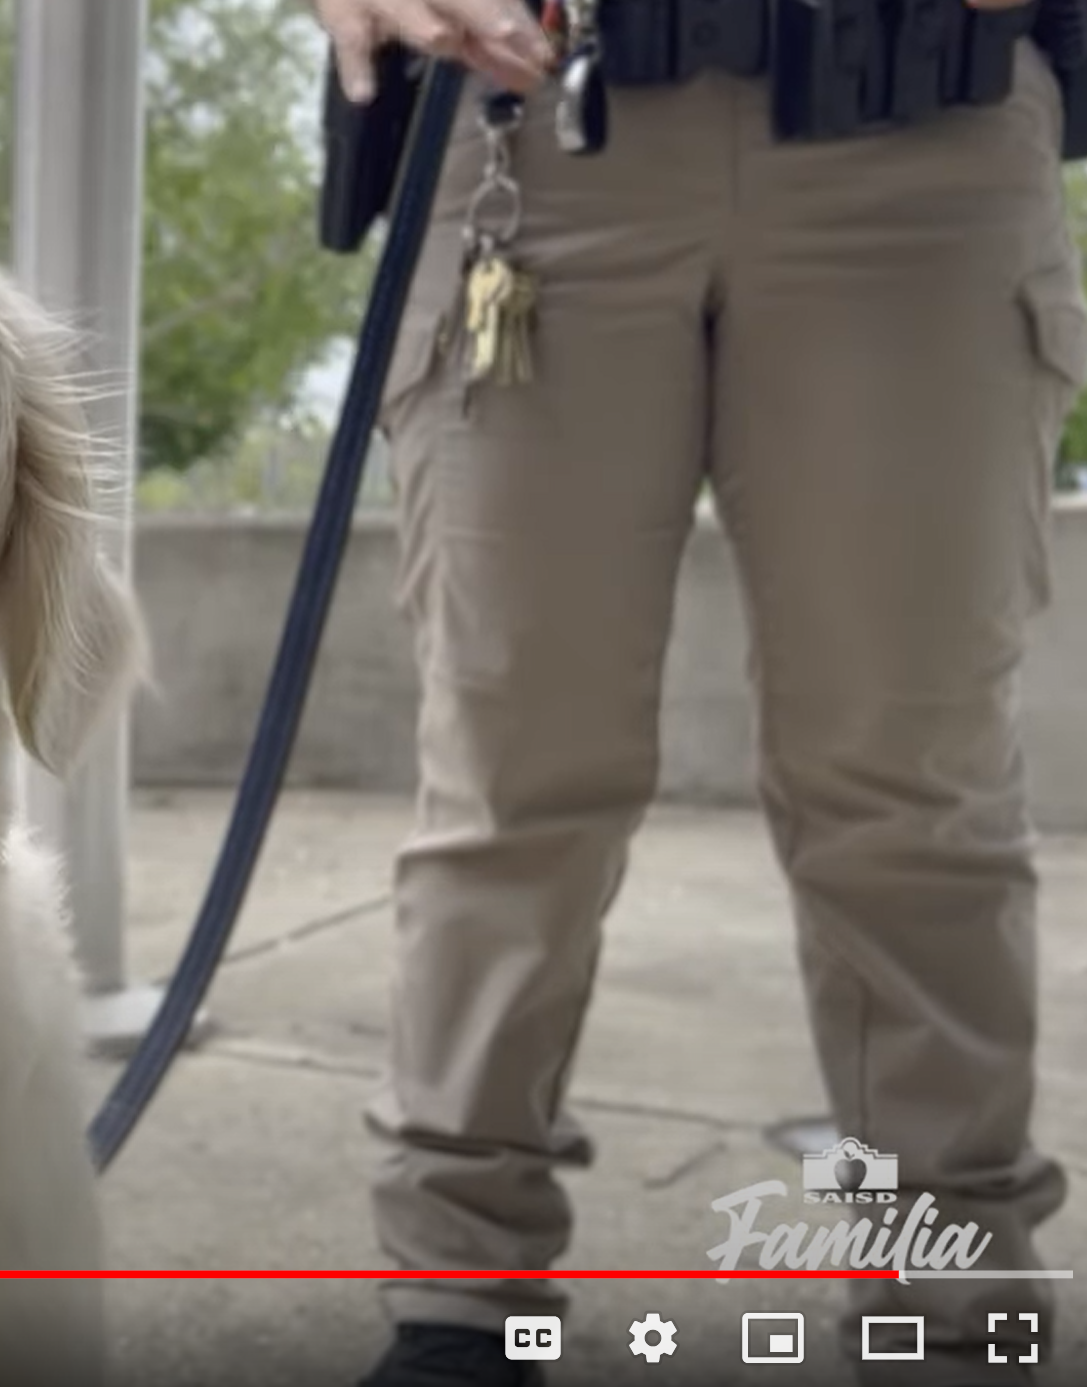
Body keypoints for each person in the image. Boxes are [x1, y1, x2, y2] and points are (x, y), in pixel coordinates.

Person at [305, 0, 1087, 1380]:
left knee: (911, 779)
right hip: (526, 124)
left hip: (928, 121)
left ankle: (949, 1291)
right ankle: (462, 1305)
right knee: (510, 771)